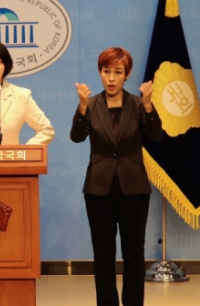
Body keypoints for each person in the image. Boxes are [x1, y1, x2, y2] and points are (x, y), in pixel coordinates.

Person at [70, 47, 163, 306]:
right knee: (103, 256)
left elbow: (156, 135)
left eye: (117, 72)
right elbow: (77, 137)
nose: (111, 78)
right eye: (106, 71)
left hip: (134, 190)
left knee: (134, 256)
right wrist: (81, 107)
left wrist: (148, 104)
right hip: (98, 190)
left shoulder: (137, 103)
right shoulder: (91, 104)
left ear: (127, 75)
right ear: (100, 73)